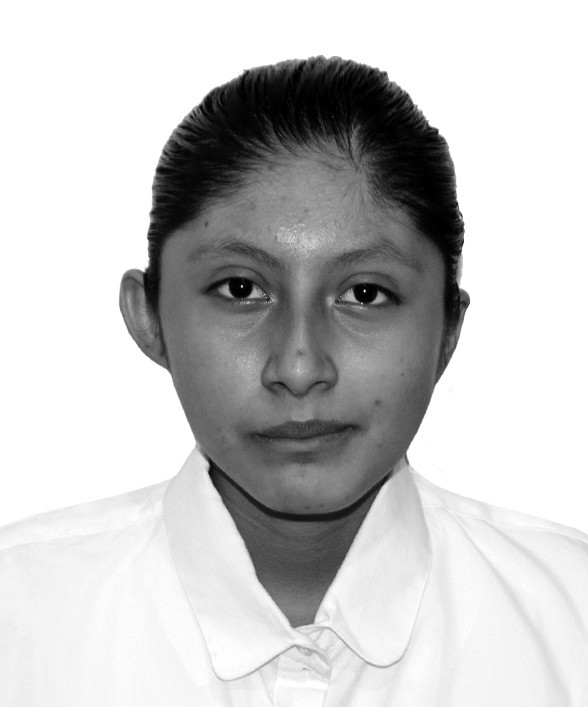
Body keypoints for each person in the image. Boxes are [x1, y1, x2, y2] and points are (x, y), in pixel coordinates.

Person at [1, 56, 587, 706]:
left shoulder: (572, 623)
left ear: (447, 328)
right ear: (149, 318)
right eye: (240, 289)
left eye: (365, 293)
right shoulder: (19, 617)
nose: (300, 367)